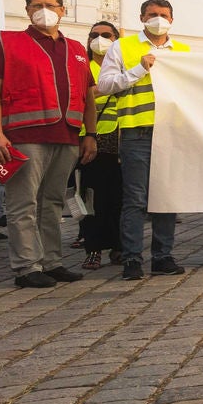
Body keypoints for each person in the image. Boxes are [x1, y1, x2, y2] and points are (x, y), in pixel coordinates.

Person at [0, 0, 96, 288]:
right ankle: (26, 267)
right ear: (27, 10)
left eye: (49, 4)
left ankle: (52, 262)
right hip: (24, 136)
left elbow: (88, 96)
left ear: (63, 10)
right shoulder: (9, 44)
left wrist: (91, 134)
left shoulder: (75, 49)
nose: (43, 10)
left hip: (67, 136)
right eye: (35, 5)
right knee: (23, 204)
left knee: (53, 204)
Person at [96, 0, 189, 281]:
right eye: (152, 14)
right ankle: (132, 259)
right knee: (135, 199)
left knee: (166, 199)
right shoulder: (122, 47)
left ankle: (163, 257)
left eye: (163, 15)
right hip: (138, 132)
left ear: (171, 20)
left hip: (172, 133)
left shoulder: (183, 51)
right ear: (141, 17)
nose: (157, 19)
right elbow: (104, 85)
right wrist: (138, 69)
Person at [76, 20, 123, 270]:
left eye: (107, 35)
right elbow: (83, 96)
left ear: (117, 39)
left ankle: (118, 247)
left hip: (122, 137)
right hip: (92, 137)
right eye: (95, 35)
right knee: (92, 199)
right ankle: (92, 248)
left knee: (119, 198)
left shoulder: (123, 63)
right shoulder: (83, 66)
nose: (100, 39)